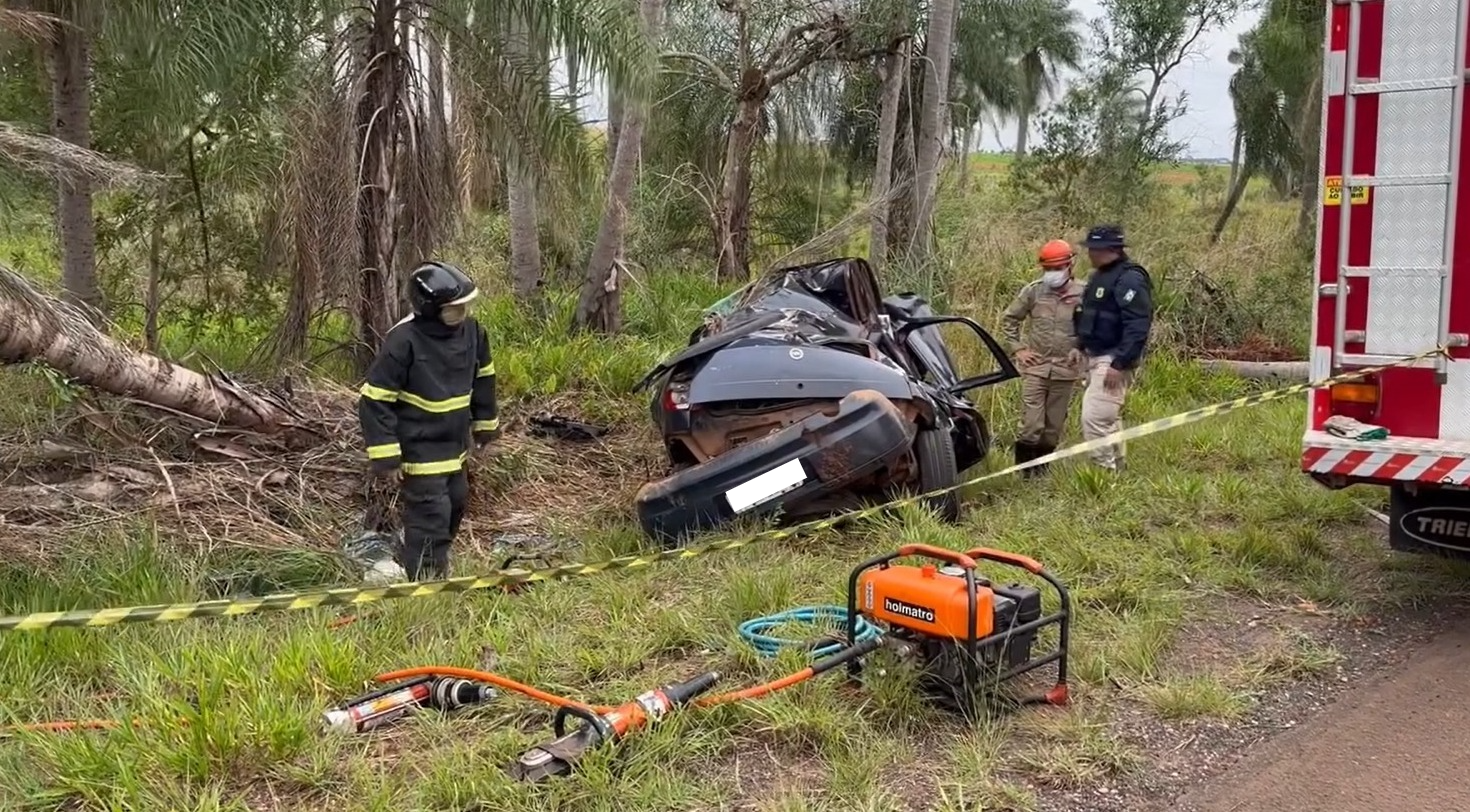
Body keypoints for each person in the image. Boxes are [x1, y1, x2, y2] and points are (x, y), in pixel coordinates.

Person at [357, 261, 500, 580]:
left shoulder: (474, 333)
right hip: (420, 453)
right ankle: (427, 583)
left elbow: (484, 378)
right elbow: (374, 399)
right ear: (429, 308)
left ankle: (419, 553)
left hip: (455, 448)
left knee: (455, 506)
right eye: (454, 308)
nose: (462, 313)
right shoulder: (403, 341)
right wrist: (387, 457)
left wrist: (486, 424)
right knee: (431, 516)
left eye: (465, 306)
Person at [1001, 239, 1087, 477]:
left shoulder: (1085, 293)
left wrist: (1083, 350)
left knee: (1052, 428)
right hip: (1036, 368)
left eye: (1057, 268)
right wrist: (1018, 348)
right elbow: (1010, 319)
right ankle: (1023, 473)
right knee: (1031, 425)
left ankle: (1041, 472)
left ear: (1070, 265)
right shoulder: (1034, 291)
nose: (1052, 274)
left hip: (1066, 370)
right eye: (1048, 269)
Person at [1072, 224, 1154, 472]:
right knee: (1109, 419)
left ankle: (1103, 476)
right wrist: (1079, 345)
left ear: (1107, 250)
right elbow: (1087, 315)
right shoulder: (1099, 277)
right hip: (1095, 356)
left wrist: (1119, 363)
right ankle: (1118, 469)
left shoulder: (1130, 279)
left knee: (1095, 419)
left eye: (1092, 250)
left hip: (1114, 359)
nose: (1089, 255)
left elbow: (1138, 325)